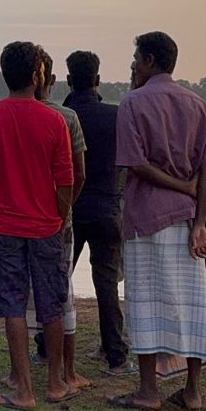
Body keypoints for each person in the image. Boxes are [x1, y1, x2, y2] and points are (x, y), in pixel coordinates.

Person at [106, 31, 206, 411]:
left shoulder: (133, 102)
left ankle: (148, 390)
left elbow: (136, 164)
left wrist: (182, 187)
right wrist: (200, 220)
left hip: (146, 216)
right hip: (187, 218)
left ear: (149, 60)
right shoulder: (198, 104)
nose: (133, 65)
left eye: (136, 58)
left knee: (145, 303)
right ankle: (192, 390)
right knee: (191, 302)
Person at [0, 42, 76, 410]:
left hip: (5, 226)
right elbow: (65, 178)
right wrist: (60, 216)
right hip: (46, 226)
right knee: (52, 304)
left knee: (13, 304)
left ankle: (23, 388)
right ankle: (56, 383)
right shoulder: (54, 120)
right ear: (37, 75)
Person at [61, 50, 133, 375]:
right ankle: (115, 354)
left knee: (59, 279)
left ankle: (47, 346)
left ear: (68, 80)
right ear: (98, 80)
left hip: (69, 208)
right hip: (108, 207)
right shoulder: (116, 116)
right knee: (106, 282)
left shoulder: (63, 116)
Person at [26, 49, 87, 389]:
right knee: (63, 293)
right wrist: (64, 209)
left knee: (19, 296)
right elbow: (78, 174)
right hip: (57, 218)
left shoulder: (2, 115)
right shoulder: (66, 117)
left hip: (16, 218)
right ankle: (67, 372)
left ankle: (20, 371)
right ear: (48, 79)